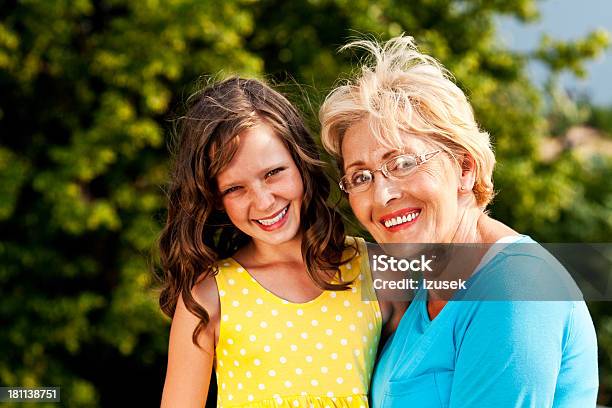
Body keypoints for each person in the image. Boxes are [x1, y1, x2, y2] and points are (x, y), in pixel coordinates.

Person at [319, 35, 598, 407]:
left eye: (403, 163)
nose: (382, 195)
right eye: (361, 176)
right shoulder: (427, 285)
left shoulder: (513, 289)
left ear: (465, 169)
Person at [157, 77, 404, 407]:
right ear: (215, 198)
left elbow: (482, 278)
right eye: (235, 189)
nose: (263, 201)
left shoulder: (377, 269)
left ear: (301, 163)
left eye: (273, 173)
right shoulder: (207, 298)